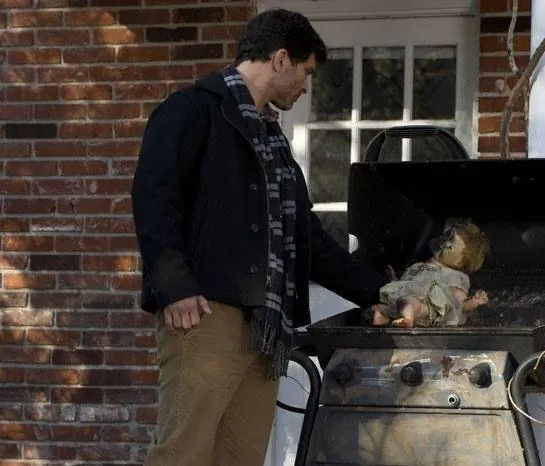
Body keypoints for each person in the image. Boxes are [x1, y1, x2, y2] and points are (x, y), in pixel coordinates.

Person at [131, 8, 388, 466]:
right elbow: (154, 197)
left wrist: (380, 292)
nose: (306, 85)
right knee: (183, 455)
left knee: (241, 457)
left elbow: (309, 240)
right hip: (204, 314)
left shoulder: (273, 141)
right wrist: (174, 286)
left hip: (267, 328)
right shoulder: (191, 110)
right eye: (307, 71)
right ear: (281, 59)